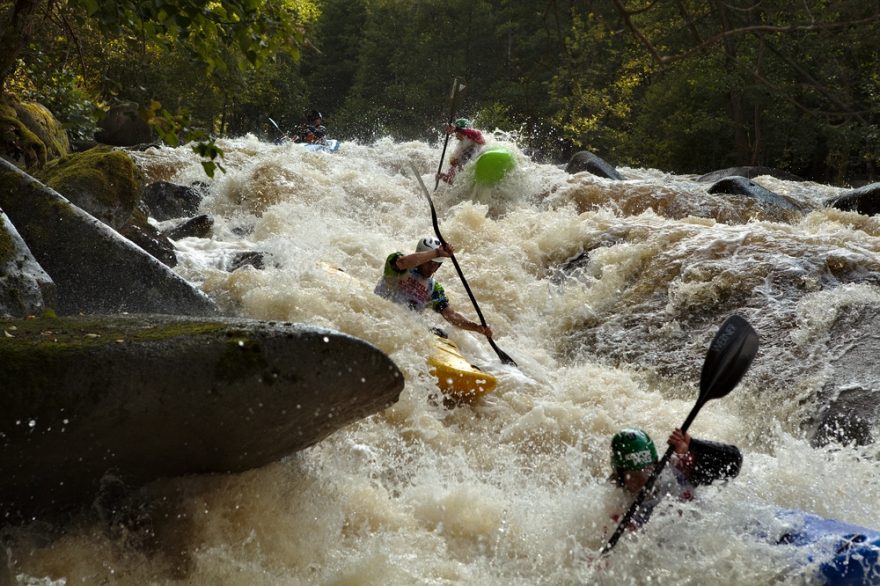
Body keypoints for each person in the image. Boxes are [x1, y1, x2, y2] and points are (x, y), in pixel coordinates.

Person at [609, 427, 742, 530]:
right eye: (633, 476)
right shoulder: (617, 508)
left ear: (656, 463)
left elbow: (734, 463)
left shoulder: (678, 468)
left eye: (647, 469)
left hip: (715, 527)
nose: (644, 480)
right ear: (619, 477)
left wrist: (693, 445)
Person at [374, 236, 493, 337]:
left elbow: (450, 315)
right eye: (429, 262)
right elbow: (402, 262)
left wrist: (477, 328)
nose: (432, 267)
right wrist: (437, 253)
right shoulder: (398, 263)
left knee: (440, 334)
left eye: (436, 264)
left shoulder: (434, 288)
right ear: (422, 256)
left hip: (405, 327)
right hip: (380, 316)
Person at [436, 118, 486, 185]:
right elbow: (454, 163)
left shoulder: (475, 133)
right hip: (470, 162)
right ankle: (455, 179)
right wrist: (444, 176)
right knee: (455, 160)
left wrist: (455, 128)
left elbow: (468, 132)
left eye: (457, 132)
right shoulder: (460, 146)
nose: (456, 134)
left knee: (468, 151)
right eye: (456, 132)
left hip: (482, 154)